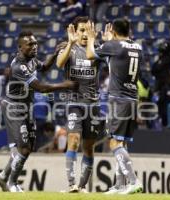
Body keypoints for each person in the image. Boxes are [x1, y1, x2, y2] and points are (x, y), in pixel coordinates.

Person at [0, 31, 77, 192]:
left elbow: (44, 67)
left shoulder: (31, 60)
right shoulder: (19, 66)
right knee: (23, 148)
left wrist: (54, 55)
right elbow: (41, 87)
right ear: (20, 48)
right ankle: (12, 183)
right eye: (30, 44)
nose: (34, 46)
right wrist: (64, 85)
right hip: (14, 108)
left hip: (25, 107)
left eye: (35, 43)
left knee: (28, 147)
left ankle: (3, 177)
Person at [86, 19, 143, 194]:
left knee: (113, 143)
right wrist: (110, 41)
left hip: (119, 99)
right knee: (122, 142)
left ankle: (133, 181)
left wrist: (91, 38)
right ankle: (120, 185)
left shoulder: (114, 45)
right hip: (133, 99)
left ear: (115, 32)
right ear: (129, 30)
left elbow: (90, 55)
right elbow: (118, 55)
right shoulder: (137, 47)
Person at [56, 16, 104, 193]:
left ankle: (82, 187)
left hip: (93, 105)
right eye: (81, 30)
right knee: (73, 140)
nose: (84, 34)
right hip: (74, 103)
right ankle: (71, 184)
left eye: (88, 30)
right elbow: (59, 63)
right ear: (75, 31)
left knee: (89, 148)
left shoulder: (97, 50)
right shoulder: (67, 48)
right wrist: (70, 43)